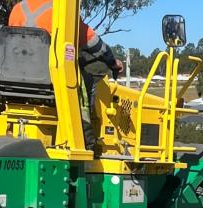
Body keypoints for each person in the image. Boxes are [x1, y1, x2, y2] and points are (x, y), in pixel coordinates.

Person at [8, 0, 124, 148]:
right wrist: (113, 63)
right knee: (84, 83)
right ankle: (85, 140)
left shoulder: (18, 9)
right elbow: (96, 45)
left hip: (16, 78)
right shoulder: (63, 10)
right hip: (50, 78)